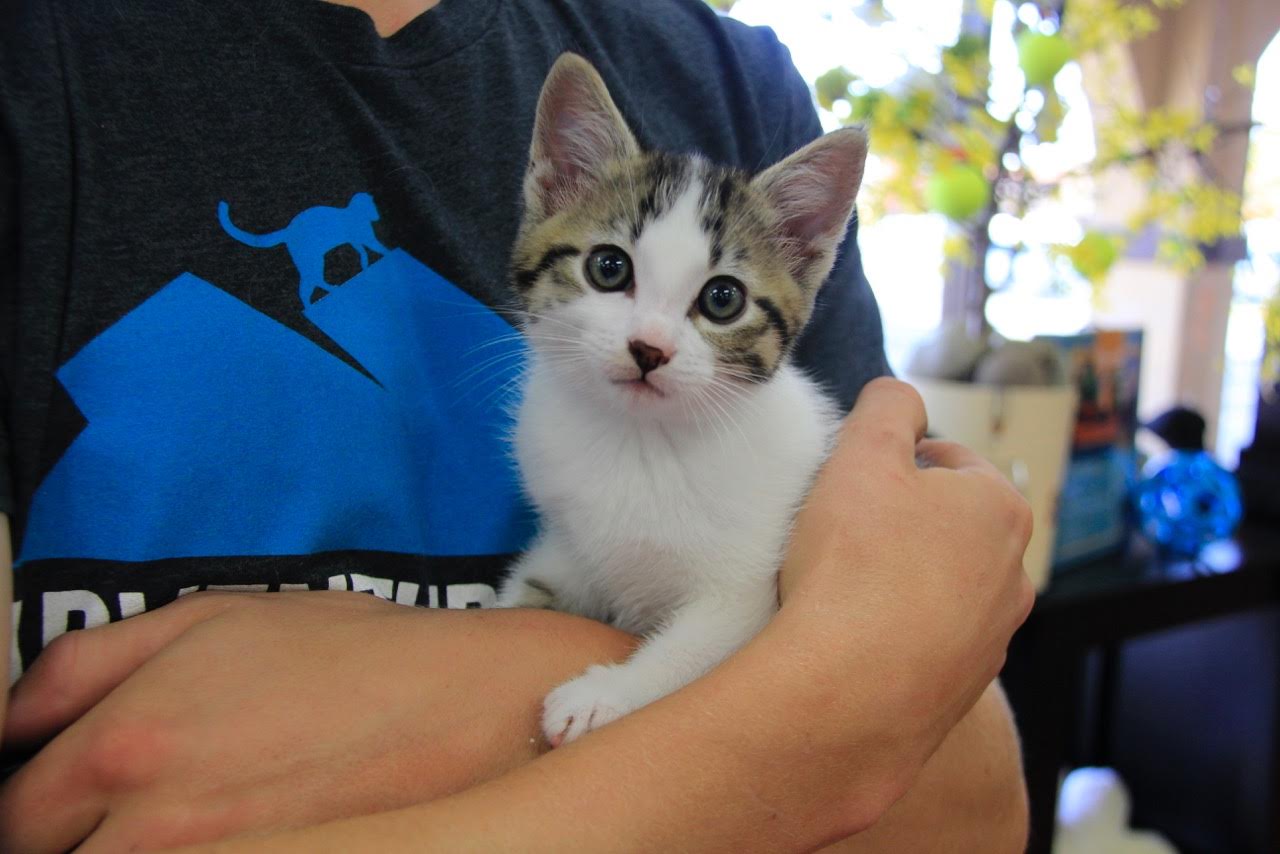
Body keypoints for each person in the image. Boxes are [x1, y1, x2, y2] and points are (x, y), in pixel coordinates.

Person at [0, 0, 1035, 850]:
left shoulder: (735, 81)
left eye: (715, 302)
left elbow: (975, 794)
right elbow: (867, 714)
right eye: (612, 271)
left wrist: (477, 687)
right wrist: (785, 727)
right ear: (553, 186)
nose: (648, 339)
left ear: (800, 261)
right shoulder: (45, 66)